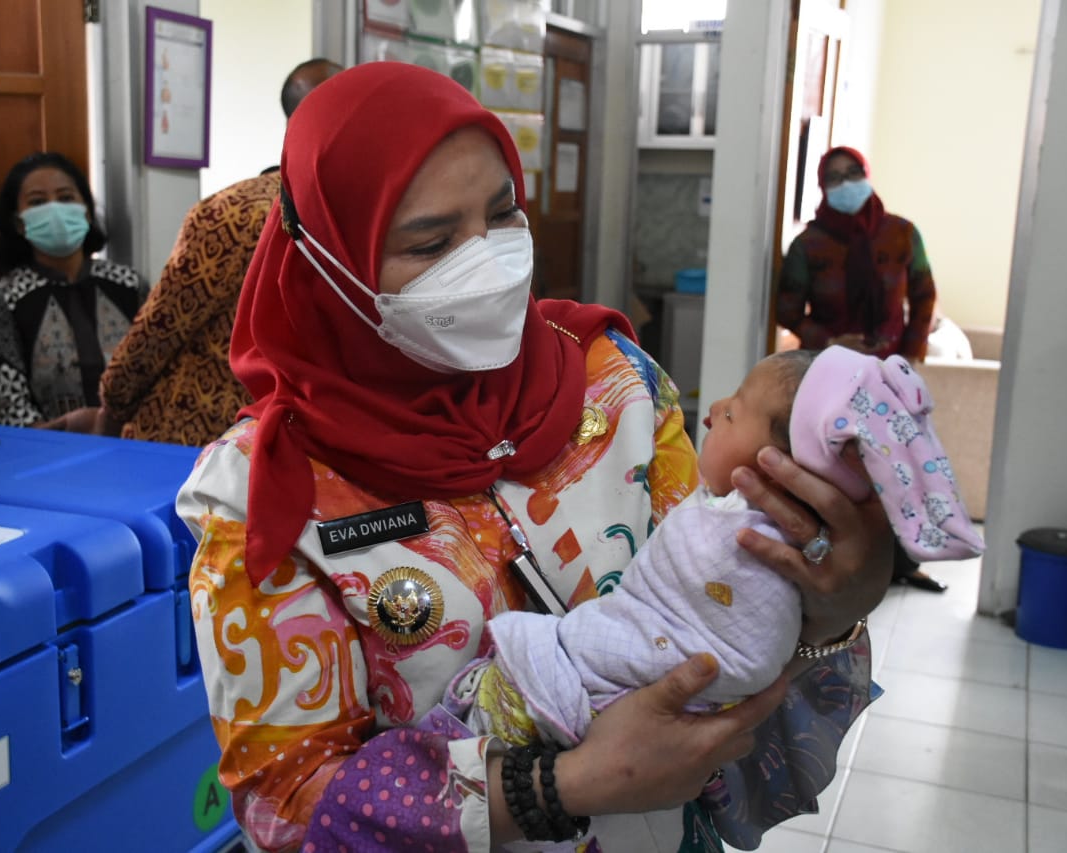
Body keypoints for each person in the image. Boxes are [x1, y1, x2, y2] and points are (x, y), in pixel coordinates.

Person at [177, 63, 893, 853]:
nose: (488, 261)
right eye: (431, 242)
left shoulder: (616, 387)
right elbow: (290, 806)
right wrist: (560, 786)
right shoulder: (264, 496)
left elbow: (726, 619)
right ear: (335, 268)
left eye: (502, 212)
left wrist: (832, 608)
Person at [459, 347, 983, 819]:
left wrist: (832, 619)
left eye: (730, 414)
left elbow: (729, 662)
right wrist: (566, 785)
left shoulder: (630, 386)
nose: (709, 413)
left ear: (779, 472)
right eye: (430, 241)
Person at [98, 58, 343, 445]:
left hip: (205, 437)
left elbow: (160, 330)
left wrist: (111, 409)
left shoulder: (233, 212)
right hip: (311, 440)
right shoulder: (379, 214)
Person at [777, 145, 948, 593]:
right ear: (822, 187)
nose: (846, 182)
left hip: (890, 373)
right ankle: (833, 558)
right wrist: (832, 342)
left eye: (853, 172)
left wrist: (908, 354)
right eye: (834, 177)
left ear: (867, 174)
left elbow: (925, 295)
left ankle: (903, 562)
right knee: (835, 465)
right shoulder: (808, 245)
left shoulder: (901, 234)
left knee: (898, 468)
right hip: (829, 374)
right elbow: (787, 310)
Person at [0, 152, 148, 430]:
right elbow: (11, 414)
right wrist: (72, 427)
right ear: (19, 223)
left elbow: (162, 374)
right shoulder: (4, 300)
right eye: (37, 202)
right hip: (47, 457)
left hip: (138, 448)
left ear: (87, 211)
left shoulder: (129, 285)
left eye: (66, 197)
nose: (55, 209)